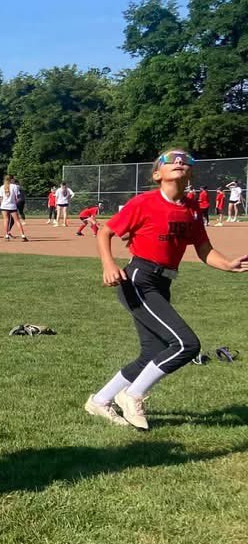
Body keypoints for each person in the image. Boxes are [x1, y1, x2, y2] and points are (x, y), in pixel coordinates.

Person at [85, 149, 247, 430]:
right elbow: (105, 231)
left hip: (163, 283)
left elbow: (204, 249)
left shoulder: (192, 209)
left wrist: (228, 264)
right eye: (171, 160)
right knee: (186, 344)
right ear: (157, 174)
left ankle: (100, 401)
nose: (179, 162)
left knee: (152, 352)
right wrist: (108, 264)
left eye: (186, 161)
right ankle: (132, 394)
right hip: (138, 280)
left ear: (191, 173)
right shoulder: (144, 202)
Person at [0, 175, 28, 241]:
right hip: (12, 206)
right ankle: (23, 235)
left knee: (6, 220)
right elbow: (16, 196)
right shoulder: (15, 186)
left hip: (4, 206)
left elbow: (1, 198)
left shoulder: (2, 187)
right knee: (17, 220)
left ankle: (6, 235)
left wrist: (1, 205)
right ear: (11, 180)